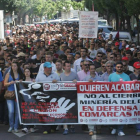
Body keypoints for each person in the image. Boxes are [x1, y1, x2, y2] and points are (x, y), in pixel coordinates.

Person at [36, 62, 60, 134]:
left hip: (53, 96)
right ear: (44, 68)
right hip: (43, 97)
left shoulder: (55, 74)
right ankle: (46, 128)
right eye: (48, 68)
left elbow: (61, 84)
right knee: (44, 112)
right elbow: (36, 84)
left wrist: (57, 81)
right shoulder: (39, 75)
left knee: (53, 111)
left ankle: (53, 127)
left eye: (51, 67)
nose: (50, 69)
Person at [108, 61, 130, 136]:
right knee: (114, 113)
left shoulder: (126, 76)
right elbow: (106, 87)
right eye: (118, 67)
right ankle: (114, 127)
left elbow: (130, 88)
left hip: (123, 98)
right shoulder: (111, 75)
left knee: (122, 114)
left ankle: (120, 129)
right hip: (113, 98)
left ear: (123, 67)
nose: (119, 68)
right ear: (115, 67)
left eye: (121, 67)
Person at [60, 61, 79, 135]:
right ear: (64, 67)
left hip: (73, 96)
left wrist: (76, 81)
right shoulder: (61, 75)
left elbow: (79, 84)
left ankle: (72, 126)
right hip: (64, 96)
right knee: (64, 112)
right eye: (67, 66)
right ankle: (65, 128)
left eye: (69, 66)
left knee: (72, 112)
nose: (68, 67)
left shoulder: (74, 75)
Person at [4, 62, 24, 133]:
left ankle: (15, 126)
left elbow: (23, 83)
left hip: (18, 94)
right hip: (10, 94)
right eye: (12, 66)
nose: (14, 67)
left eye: (15, 66)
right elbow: (5, 84)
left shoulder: (20, 74)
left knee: (17, 111)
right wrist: (10, 83)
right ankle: (11, 125)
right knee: (11, 111)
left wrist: (20, 81)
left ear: (17, 67)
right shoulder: (8, 74)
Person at [83, 64, 101, 136]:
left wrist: (99, 83)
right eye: (91, 69)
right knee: (90, 114)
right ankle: (91, 129)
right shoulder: (86, 78)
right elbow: (82, 88)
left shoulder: (100, 78)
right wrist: (87, 83)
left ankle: (99, 128)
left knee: (99, 113)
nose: (93, 70)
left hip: (98, 99)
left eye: (94, 69)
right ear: (89, 70)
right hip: (89, 99)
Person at [22, 68, 35, 133]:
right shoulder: (21, 81)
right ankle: (25, 127)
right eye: (25, 71)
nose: (27, 73)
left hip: (32, 99)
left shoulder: (33, 80)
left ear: (30, 72)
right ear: (24, 73)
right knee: (26, 113)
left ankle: (32, 127)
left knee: (32, 113)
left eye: (28, 71)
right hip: (25, 100)